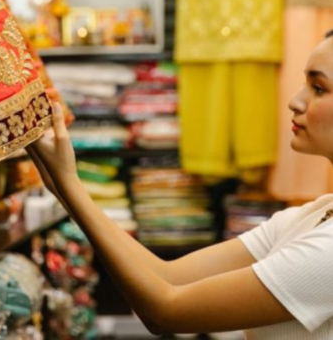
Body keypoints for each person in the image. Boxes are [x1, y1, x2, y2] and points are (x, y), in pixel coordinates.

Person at [27, 32, 333, 338]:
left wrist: (68, 184)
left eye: (319, 88)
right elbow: (169, 276)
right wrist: (64, 188)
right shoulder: (313, 215)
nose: (295, 101)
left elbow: (166, 311)